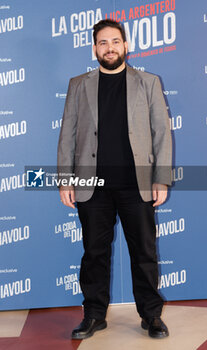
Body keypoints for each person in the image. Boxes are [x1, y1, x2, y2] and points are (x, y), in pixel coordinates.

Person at [57, 19, 172, 340]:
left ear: (126, 46)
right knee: (94, 252)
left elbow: (161, 132)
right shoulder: (78, 84)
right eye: (103, 43)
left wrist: (161, 179)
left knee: (144, 252)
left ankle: (151, 315)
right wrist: (65, 180)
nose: (110, 48)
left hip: (137, 184)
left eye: (115, 42)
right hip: (91, 186)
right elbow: (68, 134)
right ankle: (94, 315)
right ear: (94, 48)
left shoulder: (148, 82)